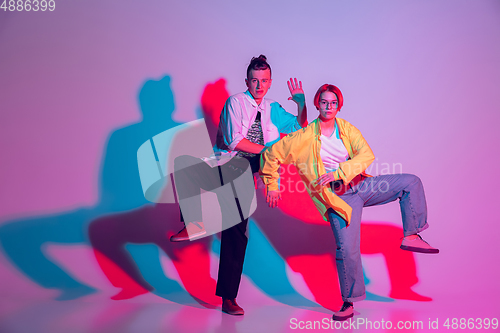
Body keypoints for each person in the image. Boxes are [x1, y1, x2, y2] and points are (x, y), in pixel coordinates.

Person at [260, 84, 438, 321]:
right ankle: (348, 303)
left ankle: (411, 235)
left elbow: (366, 154)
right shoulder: (303, 137)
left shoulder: (346, 129)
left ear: (339, 105)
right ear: (317, 104)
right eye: (324, 102)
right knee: (348, 250)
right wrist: (272, 185)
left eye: (333, 103)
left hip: (362, 186)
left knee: (410, 182)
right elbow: (270, 155)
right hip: (338, 199)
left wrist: (338, 172)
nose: (328, 107)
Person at [170, 55, 308, 315]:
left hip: (255, 167)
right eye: (254, 81)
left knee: (236, 231)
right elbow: (235, 141)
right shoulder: (235, 102)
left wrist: (301, 104)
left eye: (264, 81)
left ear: (269, 83)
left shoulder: (272, 108)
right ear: (247, 81)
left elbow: (300, 127)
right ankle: (194, 221)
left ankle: (227, 298)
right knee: (184, 165)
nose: (259, 86)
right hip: (231, 164)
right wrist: (270, 153)